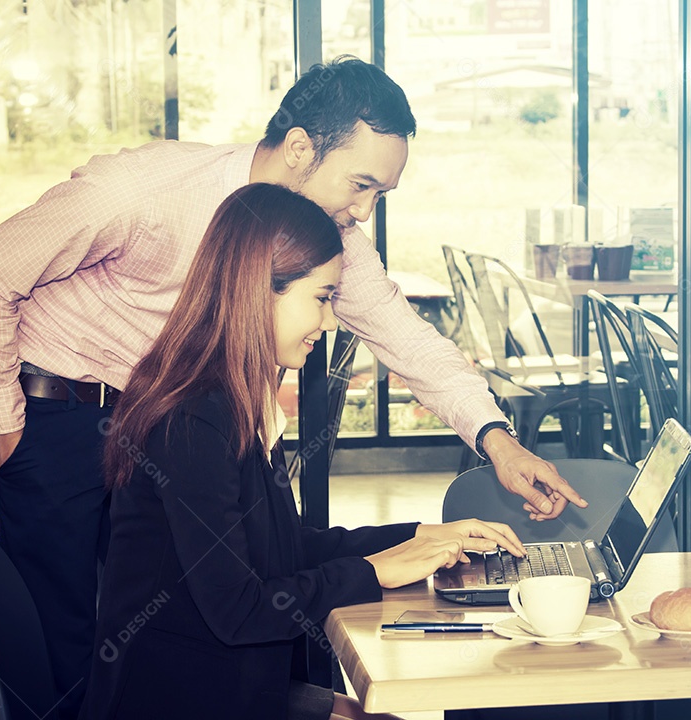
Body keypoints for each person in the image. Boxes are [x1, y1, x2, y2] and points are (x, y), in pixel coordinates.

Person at [0, 56, 585, 718]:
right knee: (71, 661)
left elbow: (408, 338)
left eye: (382, 197)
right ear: (298, 148)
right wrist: (9, 438)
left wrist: (497, 442)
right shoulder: (143, 192)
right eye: (361, 184)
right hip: (60, 414)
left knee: (174, 622)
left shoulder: (321, 244)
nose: (363, 212)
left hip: (170, 415)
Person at [79, 183, 524, 719]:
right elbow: (238, 609)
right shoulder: (194, 417)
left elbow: (284, 548)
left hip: (222, 682)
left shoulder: (235, 395)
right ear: (258, 289)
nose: (330, 322)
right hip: (178, 697)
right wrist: (374, 571)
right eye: (321, 297)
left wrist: (418, 537)